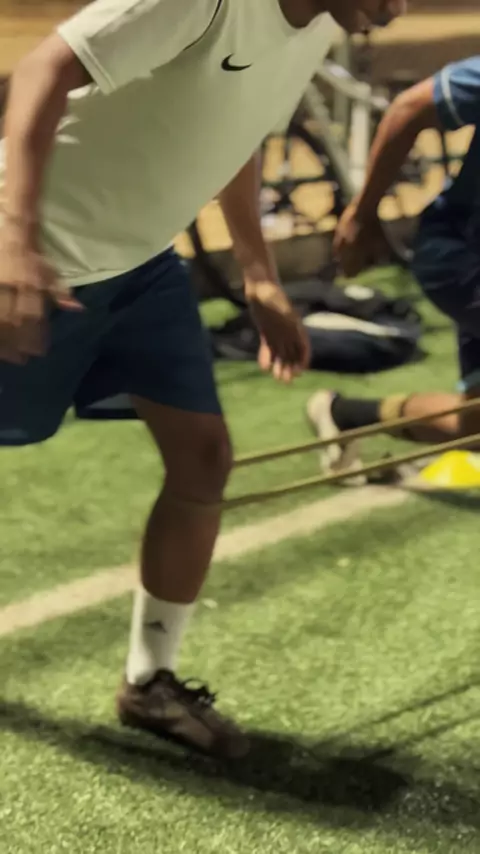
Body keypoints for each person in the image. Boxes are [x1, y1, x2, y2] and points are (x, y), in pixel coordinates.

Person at [0, 0, 405, 760]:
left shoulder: (317, 24)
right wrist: (13, 244)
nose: (398, 8)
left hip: (143, 268)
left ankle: (149, 682)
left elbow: (233, 134)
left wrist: (259, 273)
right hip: (42, 261)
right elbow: (40, 72)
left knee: (204, 457)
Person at [308, 55, 480, 476]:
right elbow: (410, 107)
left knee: (473, 426)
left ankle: (344, 414)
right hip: (462, 253)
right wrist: (362, 214)